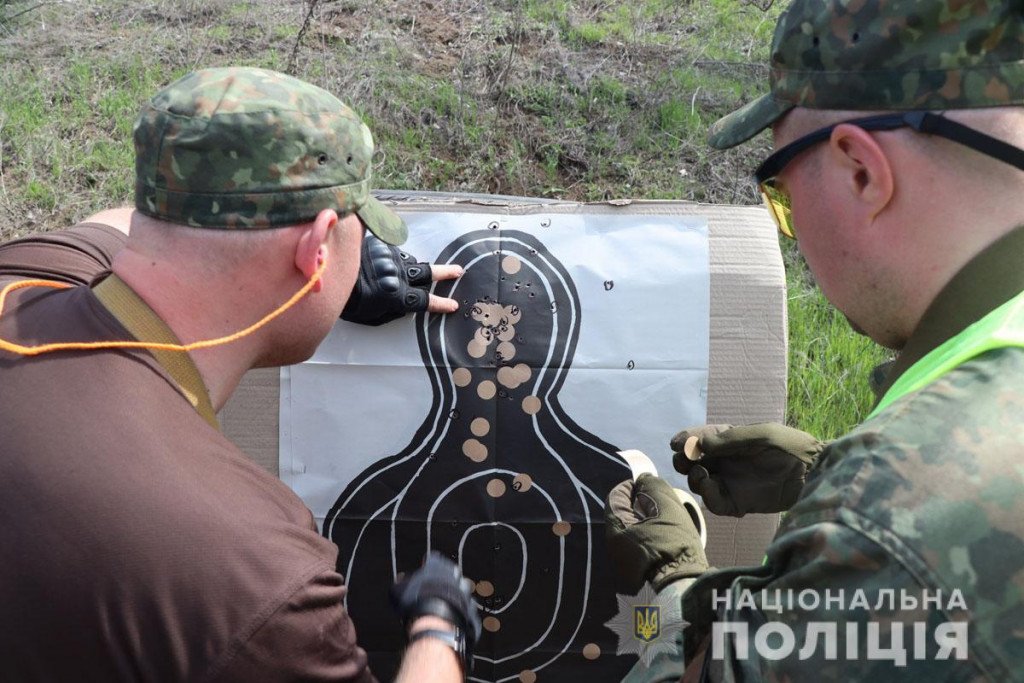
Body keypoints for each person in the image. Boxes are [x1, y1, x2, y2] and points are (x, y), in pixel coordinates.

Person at [0, 67, 481, 682]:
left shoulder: (25, 274)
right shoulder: (252, 576)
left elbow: (118, 218)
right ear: (317, 248)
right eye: (359, 234)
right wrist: (437, 627)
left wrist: (326, 276)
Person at [605, 0, 1024, 680]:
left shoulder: (887, 515)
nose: (791, 228)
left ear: (860, 169)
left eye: (783, 196)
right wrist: (824, 469)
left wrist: (675, 583)